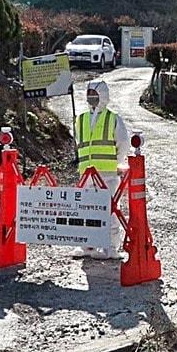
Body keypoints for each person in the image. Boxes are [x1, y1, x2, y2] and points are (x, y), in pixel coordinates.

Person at [72, 78, 128, 259]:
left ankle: (111, 247)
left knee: (110, 209)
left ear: (103, 95)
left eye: (94, 94)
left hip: (107, 173)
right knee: (86, 210)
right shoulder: (80, 119)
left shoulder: (113, 118)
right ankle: (88, 246)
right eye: (89, 94)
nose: (91, 97)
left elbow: (123, 143)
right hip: (86, 173)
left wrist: (116, 163)